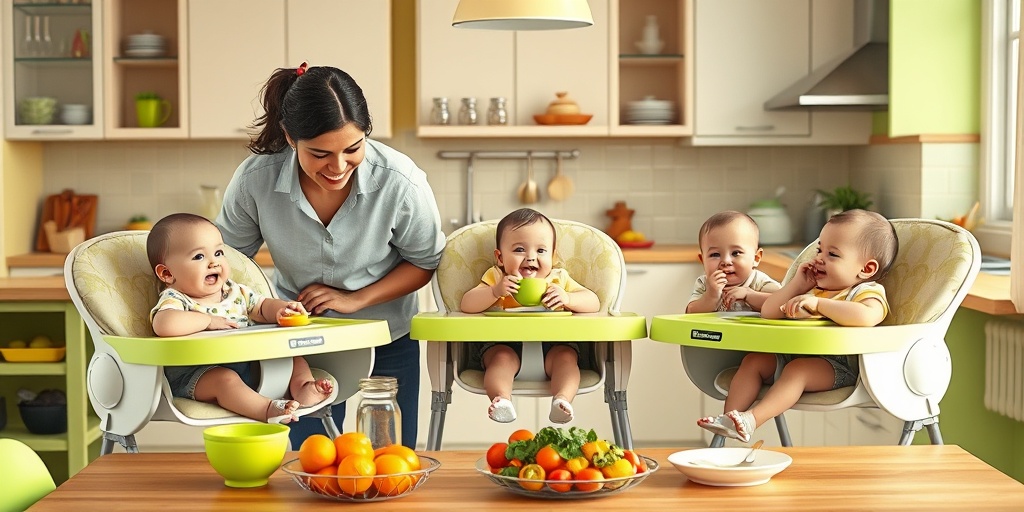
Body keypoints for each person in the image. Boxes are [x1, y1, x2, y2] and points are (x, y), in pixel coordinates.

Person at [216, 63, 445, 448]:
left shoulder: (400, 181)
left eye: (353, 149)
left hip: (387, 337)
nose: (338, 167)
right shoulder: (256, 180)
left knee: (391, 460)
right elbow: (230, 261)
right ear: (290, 138)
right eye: (320, 153)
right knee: (312, 458)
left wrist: (356, 299)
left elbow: (425, 261)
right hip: (300, 342)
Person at [697, 209, 898, 442]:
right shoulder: (812, 289)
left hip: (840, 368)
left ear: (866, 269)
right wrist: (797, 285)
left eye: (832, 254)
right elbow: (769, 312)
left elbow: (867, 316)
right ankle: (729, 419)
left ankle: (751, 420)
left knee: (798, 370)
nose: (819, 258)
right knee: (754, 360)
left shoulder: (864, 291)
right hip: (793, 355)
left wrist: (820, 304)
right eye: (820, 249)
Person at [147, 213, 333, 424]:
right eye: (199, 257)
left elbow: (262, 307)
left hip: (250, 364)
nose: (214, 263)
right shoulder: (177, 299)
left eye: (218, 253)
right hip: (197, 375)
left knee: (293, 359)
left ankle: (304, 388)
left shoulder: (235, 292)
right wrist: (207, 321)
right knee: (224, 380)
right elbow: (164, 324)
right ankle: (267, 409)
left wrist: (282, 309)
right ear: (167, 274)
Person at [460, 208, 601, 424]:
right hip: (503, 344)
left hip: (554, 345)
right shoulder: (497, 277)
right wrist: (494, 292)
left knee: (566, 357)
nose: (531, 257)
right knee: (500, 359)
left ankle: (562, 400)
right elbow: (467, 304)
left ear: (553, 257)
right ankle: (502, 400)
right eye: (519, 249)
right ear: (500, 257)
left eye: (541, 250)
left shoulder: (558, 279)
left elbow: (594, 302)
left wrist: (568, 298)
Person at [687, 211, 781, 313]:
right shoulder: (705, 283)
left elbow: (782, 304)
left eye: (736, 253)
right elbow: (691, 312)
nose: (726, 261)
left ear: (756, 258)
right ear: (703, 261)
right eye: (715, 254)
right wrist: (711, 295)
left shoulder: (760, 282)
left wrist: (749, 295)